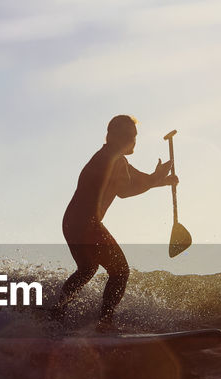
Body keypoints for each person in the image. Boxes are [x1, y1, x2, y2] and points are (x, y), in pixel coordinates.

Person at [52, 114, 178, 327]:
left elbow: (141, 180)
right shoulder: (114, 159)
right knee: (120, 271)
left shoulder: (111, 156)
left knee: (87, 269)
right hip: (86, 224)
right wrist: (157, 179)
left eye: (134, 135)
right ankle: (105, 323)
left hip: (71, 222)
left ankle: (56, 313)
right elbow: (126, 191)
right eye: (129, 135)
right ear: (112, 136)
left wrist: (160, 180)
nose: (133, 139)